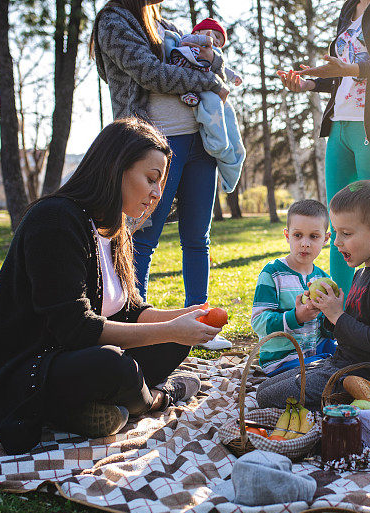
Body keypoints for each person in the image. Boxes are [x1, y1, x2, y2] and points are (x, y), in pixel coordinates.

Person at [0, 119, 223, 455]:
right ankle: (157, 398)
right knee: (114, 365)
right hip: (20, 370)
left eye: (162, 183)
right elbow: (74, 327)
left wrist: (184, 318)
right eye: (151, 179)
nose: (158, 193)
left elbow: (129, 311)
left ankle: (82, 412)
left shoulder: (115, 229)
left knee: (177, 342)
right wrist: (170, 329)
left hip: (69, 359)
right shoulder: (56, 219)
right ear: (116, 168)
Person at [91, 0, 232, 349]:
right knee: (142, 237)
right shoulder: (113, 20)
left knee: (198, 237)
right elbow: (151, 73)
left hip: (200, 140)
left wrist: (214, 63)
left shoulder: (161, 21)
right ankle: (133, 326)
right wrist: (210, 79)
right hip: (153, 142)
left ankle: (200, 323)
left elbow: (208, 54)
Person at [276, 0, 370, 298]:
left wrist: (350, 67)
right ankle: (340, 317)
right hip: (340, 127)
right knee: (340, 228)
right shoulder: (349, 7)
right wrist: (309, 85)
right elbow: (343, 77)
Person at [257, 180, 370, 410]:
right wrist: (326, 313)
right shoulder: (363, 272)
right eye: (337, 232)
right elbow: (349, 330)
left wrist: (338, 315)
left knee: (268, 398)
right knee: (264, 389)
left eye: (346, 233)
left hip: (362, 379)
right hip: (341, 364)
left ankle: (354, 408)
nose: (337, 242)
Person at [251, 200, 337, 377]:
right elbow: (258, 322)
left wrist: (332, 314)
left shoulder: (323, 279)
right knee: (324, 374)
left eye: (314, 236)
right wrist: (296, 317)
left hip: (317, 353)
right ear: (287, 235)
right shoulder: (272, 273)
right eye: (298, 235)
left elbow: (326, 331)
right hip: (283, 361)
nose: (305, 243)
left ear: (326, 239)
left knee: (355, 359)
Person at [161, 18, 246, 195]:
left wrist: (233, 77)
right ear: (196, 32)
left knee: (211, 102)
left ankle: (218, 140)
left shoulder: (214, 55)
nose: (213, 39)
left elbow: (224, 71)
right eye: (211, 34)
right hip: (184, 79)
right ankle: (189, 97)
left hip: (205, 88)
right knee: (191, 91)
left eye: (218, 40)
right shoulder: (185, 41)